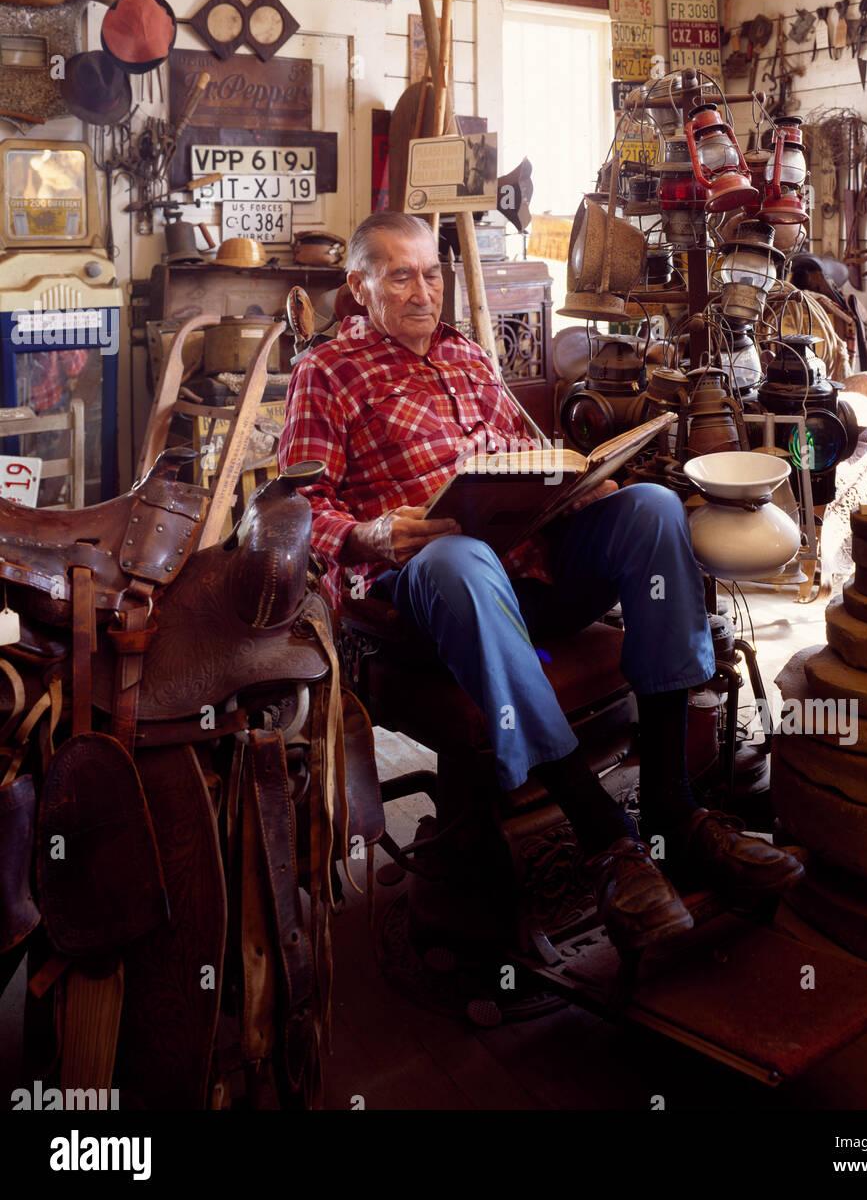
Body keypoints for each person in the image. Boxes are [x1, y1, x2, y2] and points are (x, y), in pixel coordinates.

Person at [278, 212, 803, 957]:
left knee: (651, 509)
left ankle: (672, 810)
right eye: (401, 275)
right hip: (426, 592)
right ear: (360, 287)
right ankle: (608, 842)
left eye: (431, 272)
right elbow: (294, 509)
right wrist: (368, 534)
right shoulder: (325, 372)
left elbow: (527, 452)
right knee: (460, 561)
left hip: (531, 570)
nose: (424, 290)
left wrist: (575, 483)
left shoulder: (465, 356)